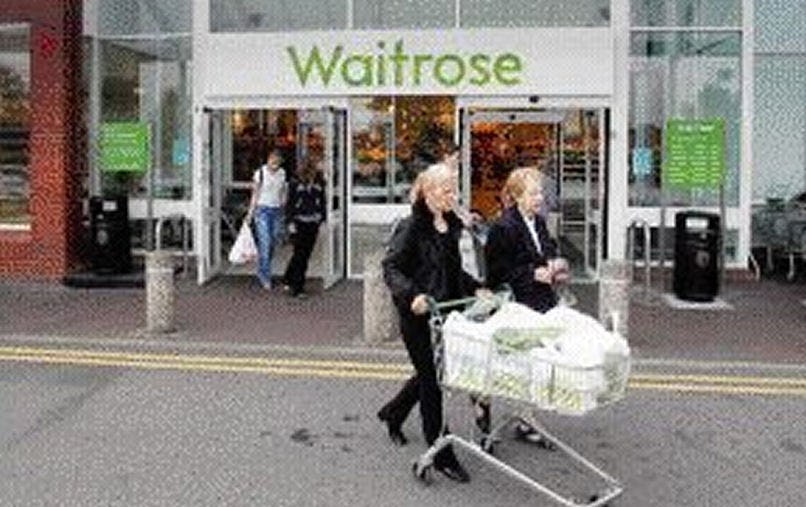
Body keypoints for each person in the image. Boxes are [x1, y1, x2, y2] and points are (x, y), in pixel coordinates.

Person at [377, 163, 489, 484]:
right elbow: (392, 268)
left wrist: (474, 287)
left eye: (454, 189)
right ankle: (440, 453)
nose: (451, 195)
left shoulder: (450, 225)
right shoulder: (411, 227)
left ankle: (394, 413)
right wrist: (412, 295)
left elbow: (452, 271)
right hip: (419, 317)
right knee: (432, 382)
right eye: (445, 189)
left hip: (447, 316)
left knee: (431, 374)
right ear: (427, 191)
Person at [481, 166, 570, 442]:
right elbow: (496, 273)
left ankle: (525, 420)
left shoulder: (538, 222)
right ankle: (483, 416)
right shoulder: (503, 227)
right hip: (516, 306)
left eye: (540, 192)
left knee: (534, 365)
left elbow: (548, 250)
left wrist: (555, 265)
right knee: (505, 367)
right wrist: (532, 273)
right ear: (517, 196)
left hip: (540, 302)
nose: (539, 198)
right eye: (533, 193)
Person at [282, 158, 326, 299]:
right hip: (299, 222)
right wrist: (290, 222)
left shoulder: (319, 181)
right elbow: (290, 203)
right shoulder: (295, 182)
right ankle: (297, 287)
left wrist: (322, 217)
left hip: (313, 222)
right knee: (301, 255)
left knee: (304, 254)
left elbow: (323, 200)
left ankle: (288, 277)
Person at [246, 149, 287, 290]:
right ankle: (265, 276)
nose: (274, 165)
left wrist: (283, 206)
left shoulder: (282, 173)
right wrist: (250, 214)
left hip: (276, 210)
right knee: (265, 242)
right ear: (268, 160)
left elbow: (283, 190)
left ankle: (262, 268)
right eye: (272, 161)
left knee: (273, 242)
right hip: (262, 210)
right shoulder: (260, 173)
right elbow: (255, 194)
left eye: (277, 162)